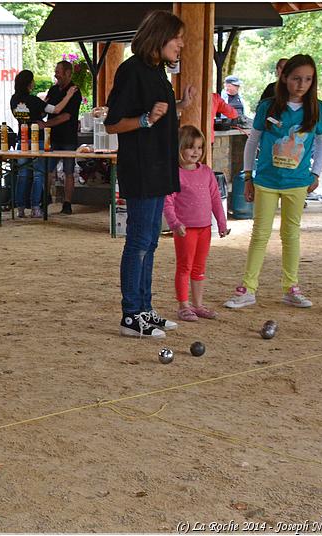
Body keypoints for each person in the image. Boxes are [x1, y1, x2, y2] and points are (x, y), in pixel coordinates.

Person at [104, 9, 195, 338]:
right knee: (139, 242)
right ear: (160, 37)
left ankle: (145, 307)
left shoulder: (158, 72)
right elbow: (113, 123)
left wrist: (179, 106)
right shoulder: (131, 71)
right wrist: (144, 120)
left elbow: (159, 114)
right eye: (178, 37)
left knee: (151, 242)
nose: (182, 44)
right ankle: (131, 315)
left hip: (159, 168)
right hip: (141, 168)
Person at [224, 54, 322, 310]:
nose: (301, 84)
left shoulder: (318, 108)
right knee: (260, 234)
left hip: (297, 182)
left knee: (290, 234)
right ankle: (248, 289)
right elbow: (253, 141)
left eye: (307, 79)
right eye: (296, 79)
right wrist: (248, 176)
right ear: (284, 77)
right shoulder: (268, 106)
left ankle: (291, 287)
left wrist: (315, 173)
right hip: (267, 181)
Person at [163, 125, 229, 322]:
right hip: (185, 230)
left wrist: (221, 221)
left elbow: (216, 198)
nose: (196, 152)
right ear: (180, 148)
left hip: (205, 228)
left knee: (199, 267)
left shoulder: (207, 172)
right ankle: (183, 305)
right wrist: (174, 223)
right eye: (190, 147)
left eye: (199, 148)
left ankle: (198, 305)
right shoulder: (175, 174)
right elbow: (167, 201)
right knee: (185, 267)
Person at [10, 69, 78, 217]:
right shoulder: (34, 100)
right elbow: (57, 109)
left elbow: (36, 113)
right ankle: (35, 207)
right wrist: (69, 95)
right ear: (30, 84)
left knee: (22, 174)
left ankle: (20, 208)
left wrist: (42, 106)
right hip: (37, 140)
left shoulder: (14, 100)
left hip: (21, 140)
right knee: (38, 174)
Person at [38, 60, 83, 215]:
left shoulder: (75, 91)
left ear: (68, 73)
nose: (56, 74)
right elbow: (45, 108)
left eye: (58, 71)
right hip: (52, 136)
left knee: (68, 171)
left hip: (68, 137)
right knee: (48, 170)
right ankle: (46, 198)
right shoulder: (53, 90)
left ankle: (67, 203)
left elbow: (65, 116)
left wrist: (46, 123)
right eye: (56, 71)